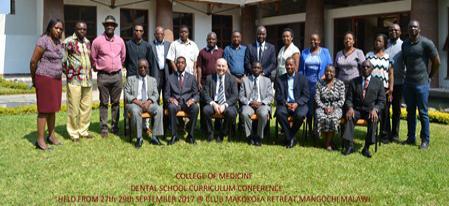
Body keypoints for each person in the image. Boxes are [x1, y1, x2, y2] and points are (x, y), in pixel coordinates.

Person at [401, 20, 440, 149]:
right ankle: (411, 138)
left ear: (419, 29)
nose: (413, 28)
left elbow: (437, 62)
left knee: (423, 113)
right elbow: (406, 61)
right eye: (410, 26)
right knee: (410, 112)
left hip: (422, 84)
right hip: (408, 83)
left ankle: (425, 140)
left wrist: (429, 76)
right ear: (407, 30)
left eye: (415, 27)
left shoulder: (427, 43)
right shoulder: (405, 44)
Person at [29, 19, 64, 150]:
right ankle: (40, 140)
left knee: (53, 109)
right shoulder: (43, 40)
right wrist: (34, 80)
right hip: (44, 78)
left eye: (61, 29)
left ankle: (52, 136)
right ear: (50, 28)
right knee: (44, 110)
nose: (59, 30)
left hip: (56, 79)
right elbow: (33, 61)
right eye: (56, 28)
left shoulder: (59, 42)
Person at [91, 15, 126, 138]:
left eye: (112, 24)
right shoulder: (97, 41)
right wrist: (100, 67)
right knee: (104, 103)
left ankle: (115, 126)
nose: (110, 26)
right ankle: (104, 128)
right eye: (108, 24)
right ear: (104, 26)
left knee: (116, 103)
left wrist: (116, 66)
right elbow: (93, 58)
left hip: (117, 76)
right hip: (103, 77)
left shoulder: (120, 41)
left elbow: (123, 57)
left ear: (115, 27)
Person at [343, 60, 385, 158]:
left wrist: (376, 109)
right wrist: (350, 108)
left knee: (374, 119)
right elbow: (349, 98)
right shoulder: (354, 81)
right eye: (363, 67)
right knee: (349, 117)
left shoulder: (378, 83)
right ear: (360, 69)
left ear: (372, 69)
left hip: (370, 111)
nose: (365, 68)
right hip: (357, 110)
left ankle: (366, 148)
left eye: (368, 67)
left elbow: (382, 101)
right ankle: (349, 146)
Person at [62, 21, 93, 142]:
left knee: (86, 107)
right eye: (80, 29)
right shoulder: (68, 42)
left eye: (84, 29)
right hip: (74, 80)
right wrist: (69, 73)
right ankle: (74, 133)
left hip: (87, 80)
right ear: (75, 29)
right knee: (73, 107)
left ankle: (83, 130)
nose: (82, 31)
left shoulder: (87, 42)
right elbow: (62, 61)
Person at [299, 33, 333, 139]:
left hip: (320, 84)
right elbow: (300, 69)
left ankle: (316, 130)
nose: (313, 42)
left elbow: (329, 67)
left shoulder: (325, 52)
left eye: (315, 40)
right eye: (311, 40)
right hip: (307, 85)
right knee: (308, 108)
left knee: (318, 107)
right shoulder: (304, 52)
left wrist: (323, 78)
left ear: (319, 41)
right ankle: (309, 129)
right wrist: (301, 82)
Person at [124, 59, 164, 149]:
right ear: (137, 69)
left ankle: (155, 137)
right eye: (140, 67)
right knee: (135, 111)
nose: (142, 69)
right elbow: (126, 94)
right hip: (135, 103)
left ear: (148, 68)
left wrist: (149, 101)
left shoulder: (152, 80)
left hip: (148, 103)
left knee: (159, 109)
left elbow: (156, 94)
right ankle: (139, 138)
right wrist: (138, 102)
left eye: (145, 67)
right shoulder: (131, 79)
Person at [201, 58, 238, 142]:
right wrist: (213, 104)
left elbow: (235, 95)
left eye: (223, 66)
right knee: (206, 110)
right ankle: (210, 132)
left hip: (227, 103)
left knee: (231, 113)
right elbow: (205, 94)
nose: (221, 68)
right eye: (219, 66)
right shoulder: (209, 78)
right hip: (214, 102)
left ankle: (223, 133)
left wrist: (224, 105)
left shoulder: (232, 79)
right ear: (215, 66)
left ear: (227, 67)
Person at [164, 56, 200, 145]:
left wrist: (193, 100)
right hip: (176, 103)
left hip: (187, 103)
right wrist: (170, 99)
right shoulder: (170, 77)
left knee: (195, 108)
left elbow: (197, 94)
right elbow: (166, 95)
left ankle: (190, 135)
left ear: (185, 64)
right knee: (171, 107)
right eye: (178, 62)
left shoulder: (191, 78)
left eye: (182, 62)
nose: (180, 64)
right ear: (176, 64)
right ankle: (174, 135)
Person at [366, 34, 394, 144]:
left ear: (384, 43)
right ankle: (372, 133)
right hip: (371, 88)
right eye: (376, 40)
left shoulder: (388, 57)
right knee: (372, 110)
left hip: (384, 88)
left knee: (385, 112)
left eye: (380, 41)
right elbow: (365, 70)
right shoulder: (369, 55)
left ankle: (384, 135)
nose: (377, 42)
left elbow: (391, 74)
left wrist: (391, 88)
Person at [275, 57, 309, 149]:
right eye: (287, 65)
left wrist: (297, 103)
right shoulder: (280, 79)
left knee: (300, 115)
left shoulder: (302, 78)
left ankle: (288, 136)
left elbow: (306, 96)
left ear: (295, 65)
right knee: (279, 113)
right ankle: (291, 137)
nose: (289, 67)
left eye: (291, 65)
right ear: (285, 66)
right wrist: (286, 103)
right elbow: (278, 96)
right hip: (285, 104)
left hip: (299, 104)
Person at [240, 61, 274, 146]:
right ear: (251, 69)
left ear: (261, 69)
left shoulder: (267, 80)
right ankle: (250, 136)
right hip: (249, 104)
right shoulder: (245, 80)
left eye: (258, 68)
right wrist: (249, 102)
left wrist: (261, 103)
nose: (256, 69)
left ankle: (259, 137)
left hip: (262, 104)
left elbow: (270, 96)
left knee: (263, 114)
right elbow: (241, 96)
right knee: (244, 113)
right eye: (254, 67)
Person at [315, 66, 345, 151]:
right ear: (324, 72)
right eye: (327, 71)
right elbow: (317, 98)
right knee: (322, 117)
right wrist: (324, 107)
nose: (329, 73)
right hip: (322, 107)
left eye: (331, 72)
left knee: (333, 118)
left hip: (336, 107)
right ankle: (327, 142)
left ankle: (327, 143)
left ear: (335, 73)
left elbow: (342, 100)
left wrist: (333, 107)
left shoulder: (340, 84)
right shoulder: (319, 83)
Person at [385, 23, 405, 143]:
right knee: (385, 109)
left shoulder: (404, 45)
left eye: (396, 30)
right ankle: (386, 133)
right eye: (391, 30)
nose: (393, 31)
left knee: (396, 109)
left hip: (399, 82)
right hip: (385, 83)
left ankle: (395, 134)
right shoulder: (384, 44)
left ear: (400, 32)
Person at [148, 26, 171, 99]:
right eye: (158, 33)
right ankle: (156, 110)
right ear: (154, 35)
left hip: (166, 73)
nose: (159, 35)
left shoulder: (169, 45)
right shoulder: (150, 45)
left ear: (164, 35)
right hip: (155, 73)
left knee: (166, 95)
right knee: (155, 95)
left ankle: (165, 110)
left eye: (161, 34)